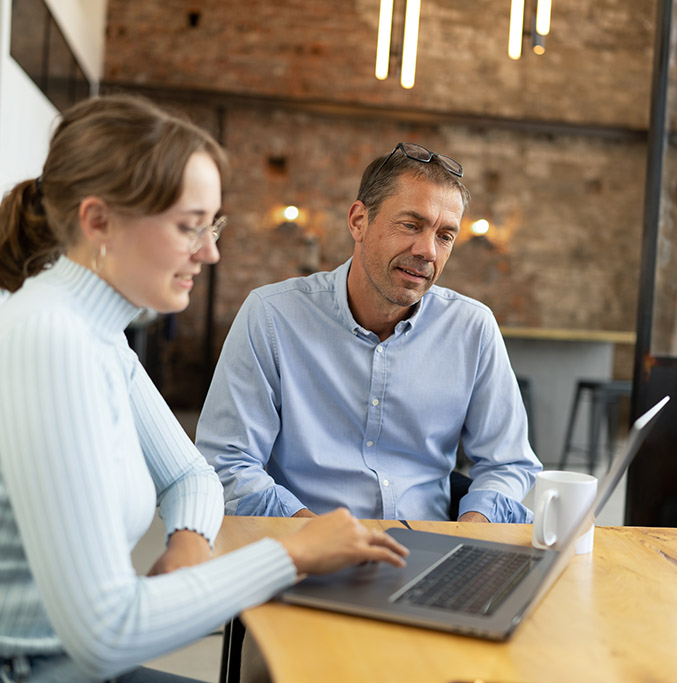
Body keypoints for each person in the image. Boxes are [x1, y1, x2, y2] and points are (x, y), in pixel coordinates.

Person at [0, 95, 407, 683]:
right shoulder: (49, 343)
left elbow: (189, 474)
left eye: (213, 226)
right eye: (190, 226)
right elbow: (106, 634)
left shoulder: (98, 335)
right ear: (98, 222)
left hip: (30, 659)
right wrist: (293, 553)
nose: (210, 251)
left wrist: (189, 540)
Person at [197, 142, 542, 524]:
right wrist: (317, 535)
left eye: (445, 236)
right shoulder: (272, 315)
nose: (428, 251)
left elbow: (507, 462)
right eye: (411, 225)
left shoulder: (472, 328)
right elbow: (227, 461)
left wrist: (471, 533)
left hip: (430, 544)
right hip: (306, 542)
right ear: (359, 221)